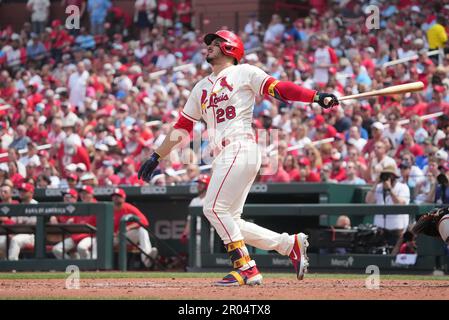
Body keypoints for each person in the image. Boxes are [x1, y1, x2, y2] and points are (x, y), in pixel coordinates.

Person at [137, 30, 339, 286]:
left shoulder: (244, 71)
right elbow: (182, 127)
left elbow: (279, 89)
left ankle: (246, 267)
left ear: (231, 48)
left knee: (211, 208)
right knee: (230, 219)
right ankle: (289, 245)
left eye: (216, 42)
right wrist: (157, 156)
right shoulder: (200, 87)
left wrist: (315, 96)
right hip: (225, 157)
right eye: (209, 43)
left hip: (240, 148)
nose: (209, 46)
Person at [365, 164, 410, 249]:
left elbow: (400, 204)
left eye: (389, 175)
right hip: (380, 231)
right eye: (385, 175)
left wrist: (390, 190)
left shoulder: (402, 187)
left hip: (397, 232)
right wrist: (375, 183)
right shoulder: (378, 187)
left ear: (394, 176)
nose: (387, 178)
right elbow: (368, 201)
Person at [111, 188, 158, 268]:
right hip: (112, 238)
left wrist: (128, 227)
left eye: (118, 196)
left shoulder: (128, 207)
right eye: (114, 196)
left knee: (142, 230)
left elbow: (144, 221)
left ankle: (146, 258)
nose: (116, 198)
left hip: (125, 236)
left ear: (124, 198)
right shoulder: (108, 208)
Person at [51, 188, 97, 259]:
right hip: (76, 236)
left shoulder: (98, 205)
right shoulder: (78, 206)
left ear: (92, 194)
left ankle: (88, 267)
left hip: (91, 236)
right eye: (82, 193)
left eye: (86, 193)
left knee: (81, 247)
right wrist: (53, 216)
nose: (83, 195)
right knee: (56, 249)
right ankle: (71, 265)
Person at [8, 183, 38, 260]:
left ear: (31, 193)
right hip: (19, 234)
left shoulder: (36, 205)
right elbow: (12, 222)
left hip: (32, 236)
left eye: (24, 191)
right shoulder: (19, 206)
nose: (21, 192)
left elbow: (32, 225)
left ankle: (12, 267)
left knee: (15, 240)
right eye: (20, 190)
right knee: (3, 240)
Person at [180, 174, 209, 244]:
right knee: (197, 254)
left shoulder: (210, 200)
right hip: (196, 233)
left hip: (208, 233)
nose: (199, 185)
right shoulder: (194, 201)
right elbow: (190, 219)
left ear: (207, 185)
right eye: (199, 183)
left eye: (202, 184)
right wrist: (185, 233)